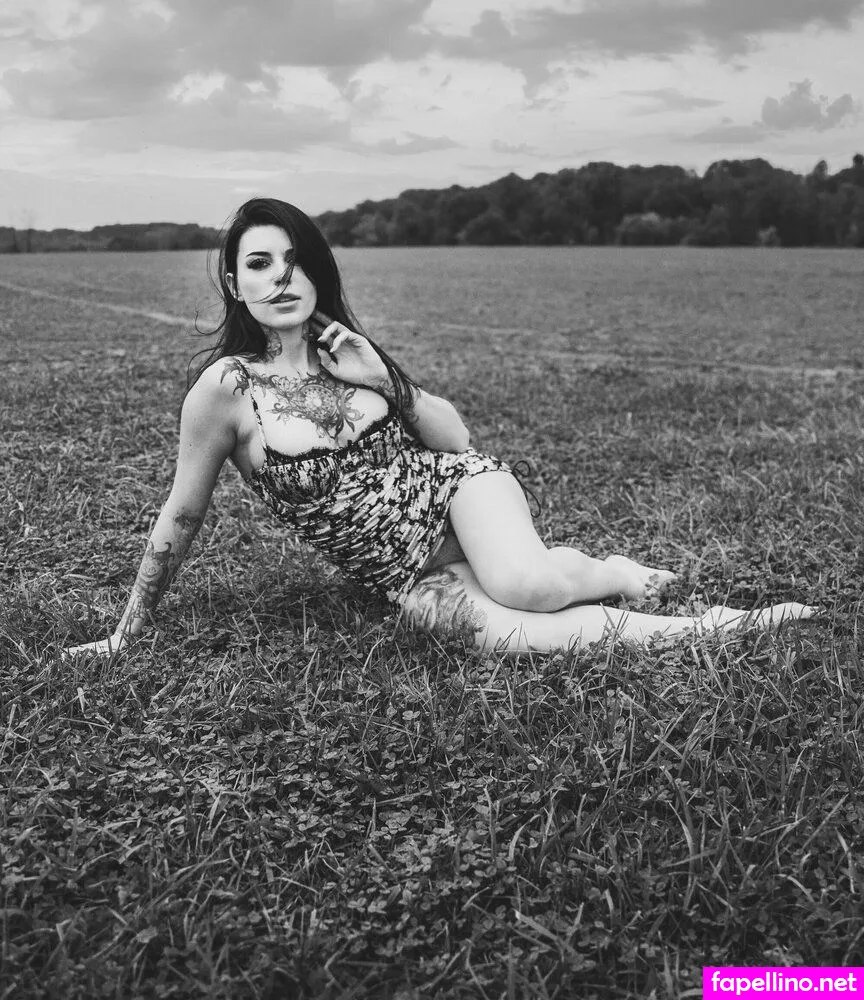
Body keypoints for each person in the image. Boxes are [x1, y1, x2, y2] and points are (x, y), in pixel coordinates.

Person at [65, 198, 817, 660]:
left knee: (527, 584)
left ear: (318, 273)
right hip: (403, 574)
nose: (282, 278)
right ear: (235, 282)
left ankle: (658, 594)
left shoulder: (348, 352)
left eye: (296, 262)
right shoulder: (226, 390)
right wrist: (128, 630)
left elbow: (455, 441)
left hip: (458, 493)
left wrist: (383, 379)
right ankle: (678, 608)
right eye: (260, 264)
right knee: (516, 636)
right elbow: (182, 513)